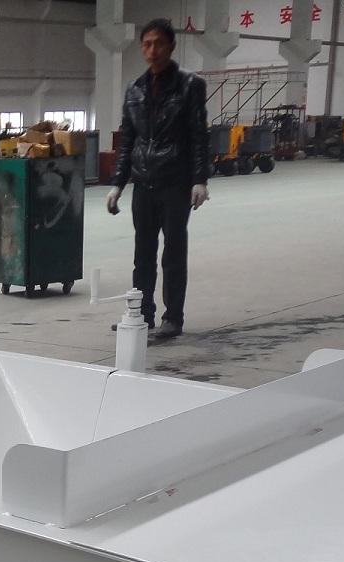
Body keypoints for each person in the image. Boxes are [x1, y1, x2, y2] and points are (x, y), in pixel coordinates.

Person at [104, 18, 211, 341]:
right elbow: (128, 140)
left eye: (159, 43)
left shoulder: (190, 85)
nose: (152, 50)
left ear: (171, 46)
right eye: (147, 44)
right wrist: (117, 183)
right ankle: (142, 315)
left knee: (173, 254)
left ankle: (173, 318)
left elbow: (198, 136)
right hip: (143, 183)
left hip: (175, 182)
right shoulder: (135, 89)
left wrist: (199, 180)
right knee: (143, 254)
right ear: (141, 48)